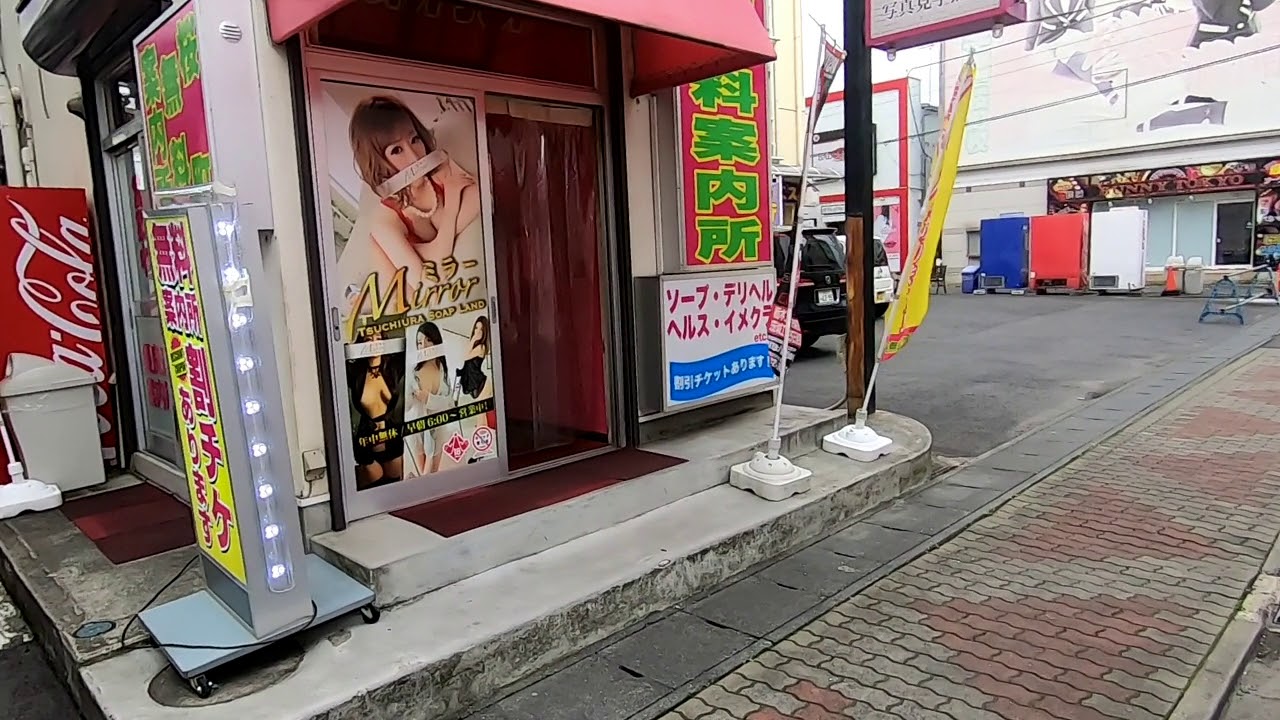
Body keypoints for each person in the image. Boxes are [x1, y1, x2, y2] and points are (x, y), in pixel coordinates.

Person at [348, 95, 481, 276]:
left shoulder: (442, 170)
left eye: (414, 139)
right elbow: (425, 279)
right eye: (396, 150)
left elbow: (481, 196)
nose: (414, 157)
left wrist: (428, 250)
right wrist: (453, 201)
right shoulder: (384, 221)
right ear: (378, 162)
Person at [346, 332, 403, 489]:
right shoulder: (355, 371)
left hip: (392, 436)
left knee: (396, 482)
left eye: (378, 338)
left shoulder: (393, 367)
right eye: (368, 340)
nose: (374, 344)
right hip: (367, 439)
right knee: (373, 478)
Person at [405, 322, 454, 476]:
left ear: (436, 341)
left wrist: (429, 398)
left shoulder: (443, 371)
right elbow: (405, 407)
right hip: (418, 429)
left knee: (434, 474)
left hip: (438, 428)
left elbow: (450, 403)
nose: (424, 346)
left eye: (428, 340)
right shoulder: (413, 373)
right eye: (419, 343)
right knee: (425, 477)